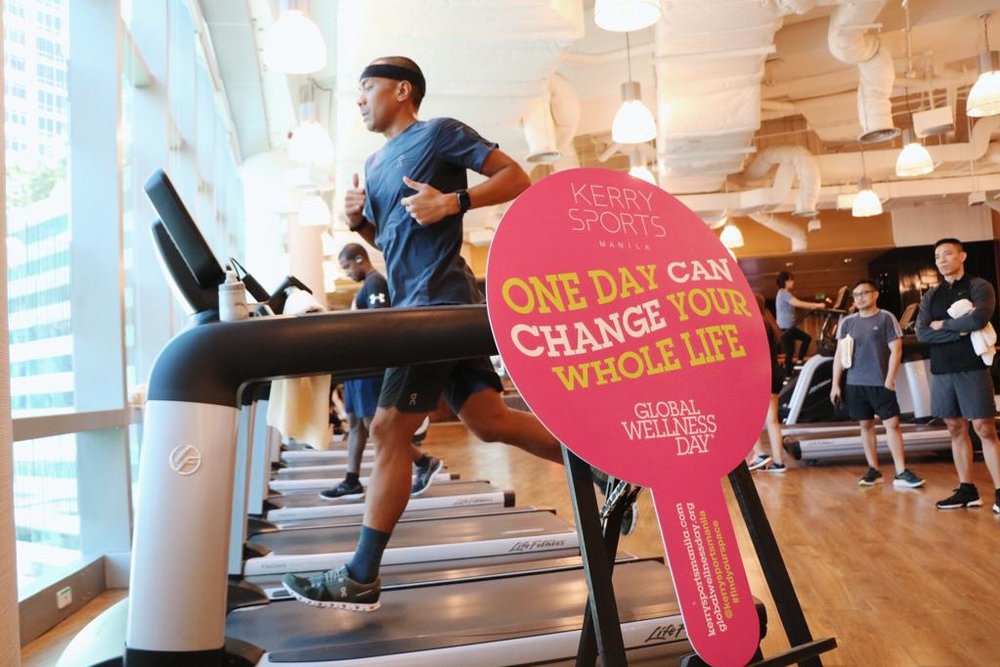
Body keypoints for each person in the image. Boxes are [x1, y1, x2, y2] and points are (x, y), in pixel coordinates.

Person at [282, 56, 564, 611]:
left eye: (368, 89)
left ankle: (361, 575)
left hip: (436, 305)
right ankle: (602, 468)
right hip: (422, 301)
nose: (360, 100)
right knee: (488, 421)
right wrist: (362, 223)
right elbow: (398, 244)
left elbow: (517, 176)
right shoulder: (375, 161)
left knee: (388, 430)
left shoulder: (439, 134)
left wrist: (454, 201)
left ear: (402, 90)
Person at [318, 243, 443, 500]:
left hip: (370, 371)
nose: (347, 273)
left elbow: (378, 324)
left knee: (376, 428)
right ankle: (351, 480)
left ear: (359, 259)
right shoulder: (365, 288)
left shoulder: (375, 284)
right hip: (358, 371)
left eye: (347, 267)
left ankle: (423, 462)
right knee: (355, 424)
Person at [915, 238, 1000, 512]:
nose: (941, 260)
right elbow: (922, 332)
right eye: (937, 256)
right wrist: (958, 330)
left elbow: (979, 319)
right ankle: (967, 490)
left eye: (947, 254)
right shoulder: (931, 295)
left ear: (962, 256)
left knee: (984, 428)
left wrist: (945, 325)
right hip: (942, 370)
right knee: (954, 428)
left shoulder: (979, 286)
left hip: (973, 368)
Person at [829, 279, 924, 489]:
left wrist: (890, 379)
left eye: (864, 293)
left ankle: (901, 471)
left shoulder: (885, 318)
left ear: (875, 295)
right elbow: (839, 354)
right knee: (865, 425)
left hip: (881, 383)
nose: (860, 298)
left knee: (892, 424)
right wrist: (836, 384)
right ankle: (874, 470)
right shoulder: (847, 322)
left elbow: (896, 350)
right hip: (855, 383)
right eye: (856, 295)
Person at [746, 293, 788, 473]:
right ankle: (778, 463)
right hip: (774, 374)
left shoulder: (751, 324)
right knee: (772, 420)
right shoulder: (770, 324)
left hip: (758, 376)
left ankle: (760, 454)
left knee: (750, 418)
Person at [775, 271, 828, 377]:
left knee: (806, 339)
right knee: (790, 351)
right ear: (786, 281)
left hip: (788, 327)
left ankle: (797, 363)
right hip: (785, 327)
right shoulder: (783, 293)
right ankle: (788, 375)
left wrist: (814, 307)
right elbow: (797, 303)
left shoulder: (783, 293)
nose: (793, 282)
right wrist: (817, 305)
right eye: (791, 280)